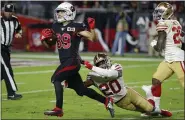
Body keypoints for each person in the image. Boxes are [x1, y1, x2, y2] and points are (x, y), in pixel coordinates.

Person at [40, 2, 114, 117]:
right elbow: (50, 44)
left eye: (61, 12)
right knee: (81, 90)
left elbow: (92, 38)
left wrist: (92, 28)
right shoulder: (56, 26)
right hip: (66, 62)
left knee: (56, 79)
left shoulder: (76, 26)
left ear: (69, 12)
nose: (59, 14)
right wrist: (44, 39)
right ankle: (106, 101)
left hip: (72, 61)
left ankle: (58, 109)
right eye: (58, 12)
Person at [80, 53, 172, 117]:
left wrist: (92, 67)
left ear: (107, 61)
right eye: (99, 63)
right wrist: (70, 83)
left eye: (103, 62)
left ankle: (160, 110)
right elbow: (82, 86)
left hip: (129, 94)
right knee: (146, 111)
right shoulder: (93, 76)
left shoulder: (115, 67)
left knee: (152, 109)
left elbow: (109, 74)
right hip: (120, 103)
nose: (102, 64)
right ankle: (150, 96)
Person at [142, 2, 184, 116]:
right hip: (168, 59)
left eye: (160, 12)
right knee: (156, 80)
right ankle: (156, 109)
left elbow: (159, 47)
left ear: (167, 12)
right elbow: (182, 37)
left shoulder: (163, 23)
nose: (157, 14)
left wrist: (153, 43)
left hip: (178, 59)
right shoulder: (176, 22)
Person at [1, 3, 23, 100]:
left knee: (2, 73)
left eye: (10, 11)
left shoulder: (15, 20)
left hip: (7, 49)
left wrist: (19, 34)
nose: (8, 13)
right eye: (7, 11)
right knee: (8, 70)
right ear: (3, 11)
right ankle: (12, 93)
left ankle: (10, 93)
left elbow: (19, 29)